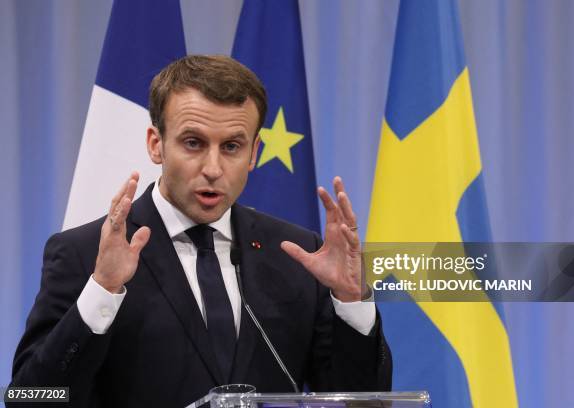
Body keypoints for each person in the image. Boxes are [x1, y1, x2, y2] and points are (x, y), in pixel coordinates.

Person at [10, 55, 392, 407]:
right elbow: (30, 399)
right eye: (193, 143)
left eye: (231, 146)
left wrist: (350, 300)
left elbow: (361, 401)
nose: (213, 167)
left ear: (254, 152)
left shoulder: (296, 253)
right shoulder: (83, 253)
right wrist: (102, 291)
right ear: (156, 144)